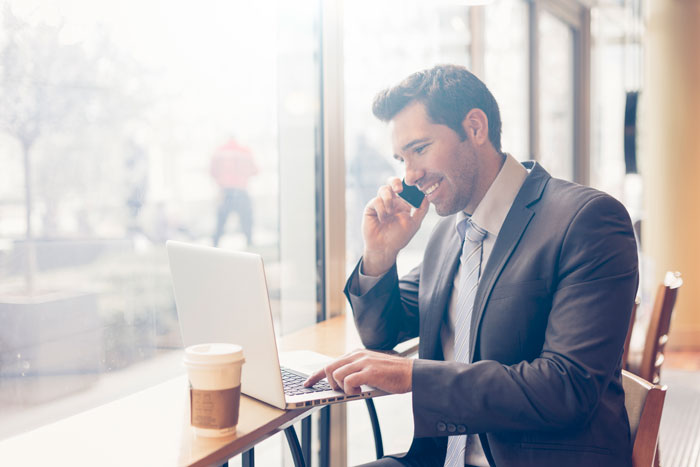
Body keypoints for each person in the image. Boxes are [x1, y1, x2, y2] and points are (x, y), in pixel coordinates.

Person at [304, 65, 638, 466]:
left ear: (476, 128)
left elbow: (567, 387)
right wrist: (379, 255)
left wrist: (413, 376)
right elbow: (383, 333)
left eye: (420, 149)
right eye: (402, 158)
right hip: (439, 457)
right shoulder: (451, 235)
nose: (410, 175)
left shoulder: (587, 220)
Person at [210, 138, 258, 247]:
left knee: (220, 222)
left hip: (225, 191)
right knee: (247, 221)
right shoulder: (245, 151)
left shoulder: (220, 151)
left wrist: (222, 180)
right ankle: (250, 245)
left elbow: (212, 171)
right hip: (241, 190)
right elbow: (255, 170)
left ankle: (214, 246)